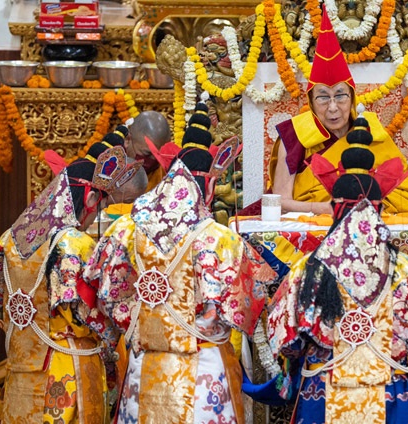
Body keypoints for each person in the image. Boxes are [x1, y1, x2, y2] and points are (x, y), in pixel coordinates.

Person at [83, 107, 276, 423]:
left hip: (143, 367)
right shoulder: (220, 240)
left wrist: (139, 322)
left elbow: (105, 295)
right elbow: (246, 309)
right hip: (203, 372)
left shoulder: (125, 230)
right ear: (209, 189)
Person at [267, 117, 408, 423]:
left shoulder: (308, 270)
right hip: (390, 391)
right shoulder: (407, 270)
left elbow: (286, 340)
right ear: (381, 208)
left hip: (323, 390)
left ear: (334, 207)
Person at [0, 138, 137, 423]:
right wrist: (116, 338)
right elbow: (89, 313)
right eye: (99, 204)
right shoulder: (75, 244)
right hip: (66, 370)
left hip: (20, 372)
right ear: (89, 198)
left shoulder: (8, 240)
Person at [267, 7, 408, 216]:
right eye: (322, 97)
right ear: (311, 101)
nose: (332, 107)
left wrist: (371, 204)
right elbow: (280, 202)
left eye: (340, 95)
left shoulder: (369, 131)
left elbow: (405, 190)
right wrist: (322, 208)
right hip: (314, 221)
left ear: (352, 98)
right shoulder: (296, 135)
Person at [126, 110, 171, 191]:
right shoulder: (108, 167)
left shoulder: (169, 175)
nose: (153, 160)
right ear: (128, 140)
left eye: (159, 155)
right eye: (147, 154)